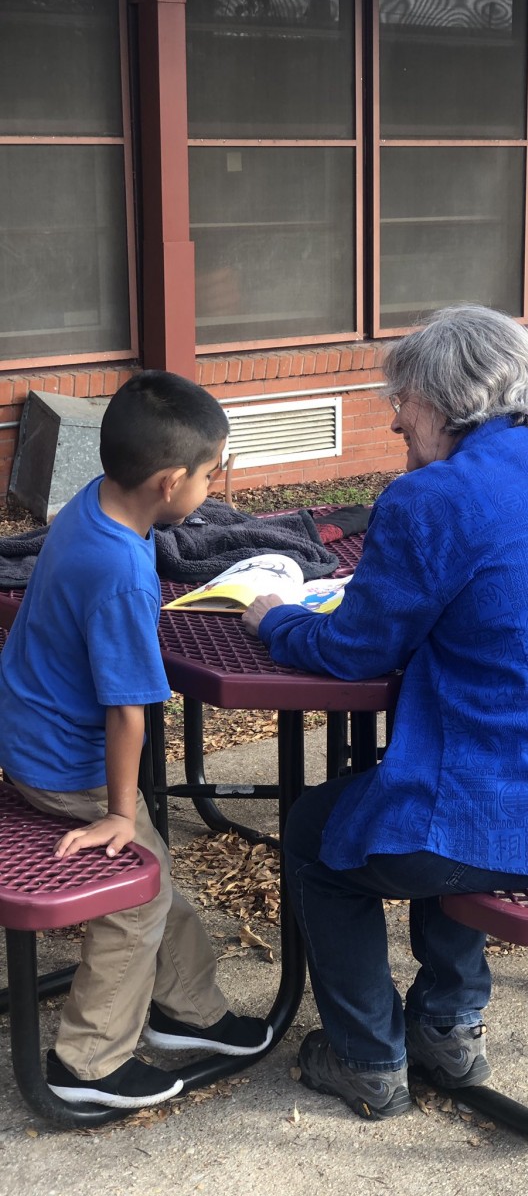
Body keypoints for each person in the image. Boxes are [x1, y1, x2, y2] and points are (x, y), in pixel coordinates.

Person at [242, 305, 528, 1120]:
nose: (392, 420)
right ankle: (448, 1023)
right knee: (425, 793)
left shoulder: (430, 497)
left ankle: (367, 1059)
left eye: (403, 401)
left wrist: (272, 616)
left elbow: (354, 650)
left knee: (320, 829)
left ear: (446, 402)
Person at [0, 371, 273, 1110]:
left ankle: (190, 1012)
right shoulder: (121, 571)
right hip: (68, 763)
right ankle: (87, 1064)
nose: (214, 487)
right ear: (169, 481)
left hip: (33, 732)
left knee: (153, 874)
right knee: (137, 896)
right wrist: (118, 814)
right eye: (212, 473)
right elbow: (128, 713)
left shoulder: (93, 506)